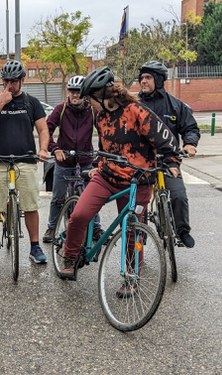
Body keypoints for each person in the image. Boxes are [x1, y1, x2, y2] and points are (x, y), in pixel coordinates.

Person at [61, 66, 181, 287]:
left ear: (101, 95)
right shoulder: (101, 116)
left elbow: (165, 138)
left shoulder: (136, 110)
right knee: (79, 215)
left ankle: (131, 277)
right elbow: (104, 144)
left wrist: (171, 161)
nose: (89, 104)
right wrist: (98, 164)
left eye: (90, 99)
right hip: (107, 177)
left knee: (132, 230)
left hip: (138, 180)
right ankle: (70, 256)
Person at [0, 60, 50, 264]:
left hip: (25, 160)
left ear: (22, 80)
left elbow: (43, 129)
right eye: (7, 80)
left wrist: (43, 149)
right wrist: (1, 102)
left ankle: (35, 247)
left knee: (30, 205)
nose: (11, 84)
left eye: (15, 80)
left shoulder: (31, 102)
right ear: (2, 81)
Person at [138, 60, 200, 248]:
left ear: (158, 79)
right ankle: (140, 234)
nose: (143, 81)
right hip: (141, 163)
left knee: (179, 196)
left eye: (148, 78)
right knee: (137, 204)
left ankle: (182, 231)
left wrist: (190, 144)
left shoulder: (175, 105)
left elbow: (190, 128)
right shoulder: (135, 105)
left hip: (168, 161)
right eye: (141, 78)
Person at [42, 75, 102, 243]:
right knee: (58, 198)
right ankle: (52, 227)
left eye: (79, 93)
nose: (75, 96)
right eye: (72, 92)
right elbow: (46, 131)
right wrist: (55, 149)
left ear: (85, 94)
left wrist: (101, 155)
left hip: (85, 160)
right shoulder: (60, 109)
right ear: (68, 92)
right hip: (64, 160)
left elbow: (104, 133)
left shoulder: (92, 110)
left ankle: (96, 228)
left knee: (92, 196)